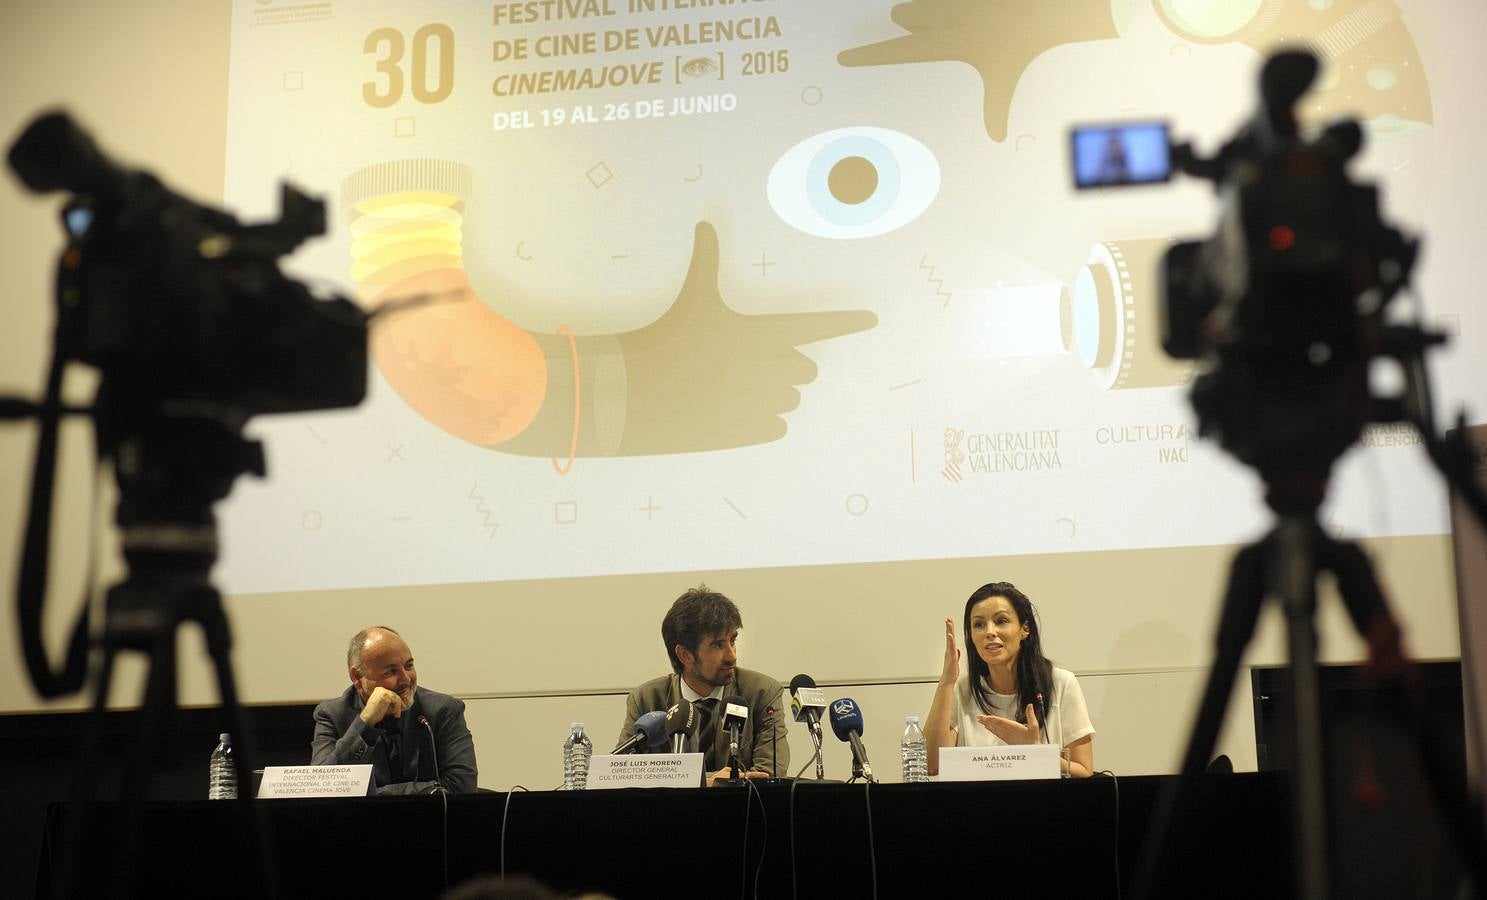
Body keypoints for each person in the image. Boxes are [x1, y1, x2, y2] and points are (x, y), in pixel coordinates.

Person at [617, 585, 789, 785]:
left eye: (732, 641)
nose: (731, 656)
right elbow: (623, 775)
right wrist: (710, 781)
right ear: (685, 655)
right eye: (717, 645)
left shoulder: (762, 693)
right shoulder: (646, 700)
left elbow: (769, 776)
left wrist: (692, 781)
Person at [925, 582, 1095, 777]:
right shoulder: (962, 690)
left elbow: (1084, 770)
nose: (989, 631)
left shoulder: (1061, 683)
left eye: (1001, 621)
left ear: (1025, 629)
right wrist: (946, 682)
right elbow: (932, 765)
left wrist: (1035, 751)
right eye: (979, 624)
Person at [312, 625, 478, 794]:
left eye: (409, 666)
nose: (406, 679)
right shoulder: (332, 714)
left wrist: (375, 794)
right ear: (357, 676)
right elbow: (321, 789)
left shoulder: (443, 710)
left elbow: (462, 787)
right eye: (390, 671)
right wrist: (365, 723)